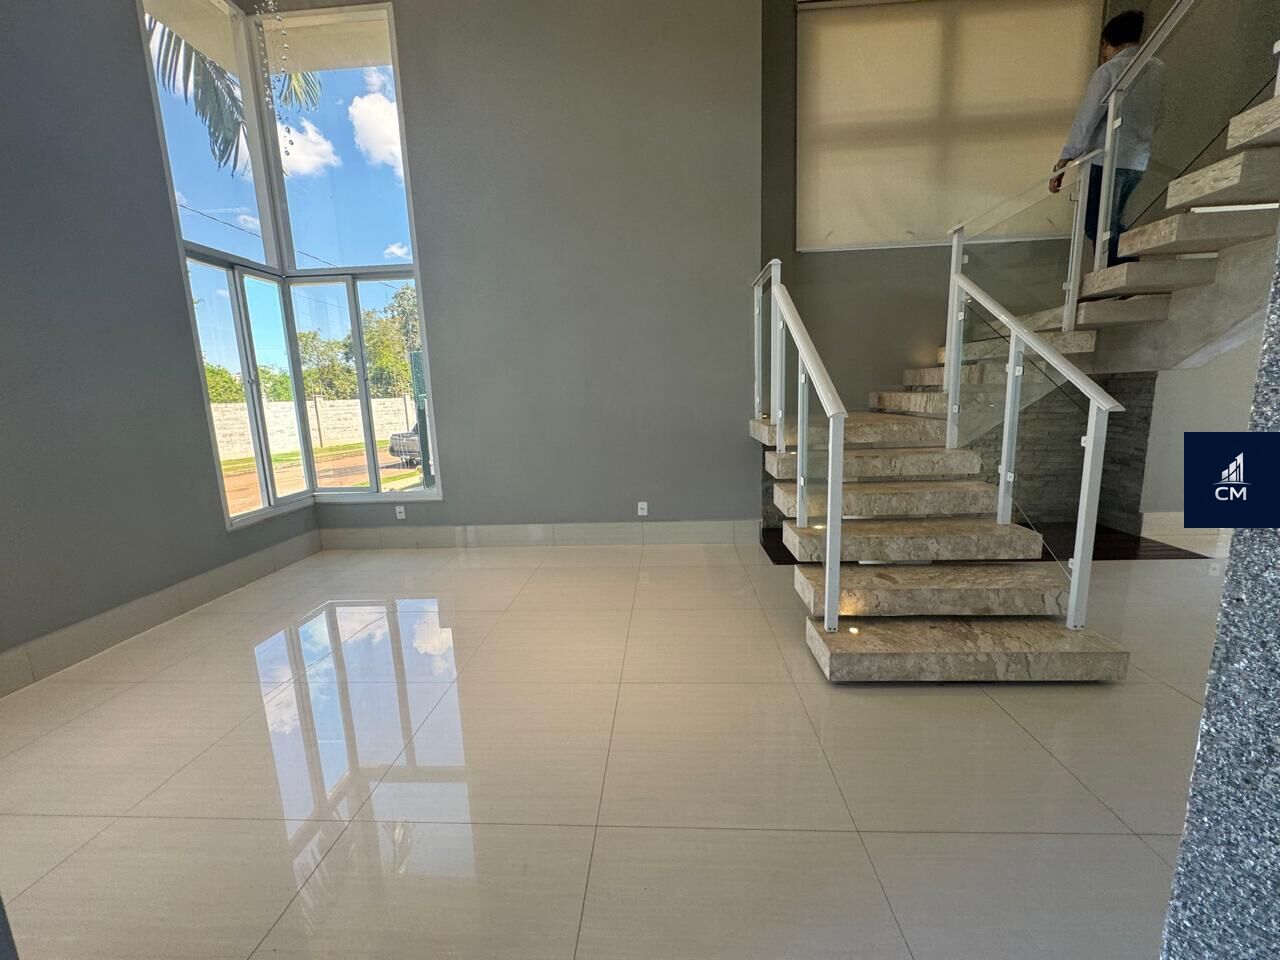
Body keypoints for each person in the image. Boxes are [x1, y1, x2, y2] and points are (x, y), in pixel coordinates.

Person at [1050, 9, 1165, 267]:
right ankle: (1123, 268)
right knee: (1110, 222)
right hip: (1138, 160)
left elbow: (1087, 119)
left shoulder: (1109, 71)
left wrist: (1064, 161)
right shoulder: (1158, 69)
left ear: (1106, 42)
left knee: (1097, 224)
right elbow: (1159, 114)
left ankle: (1122, 271)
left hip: (1105, 159)